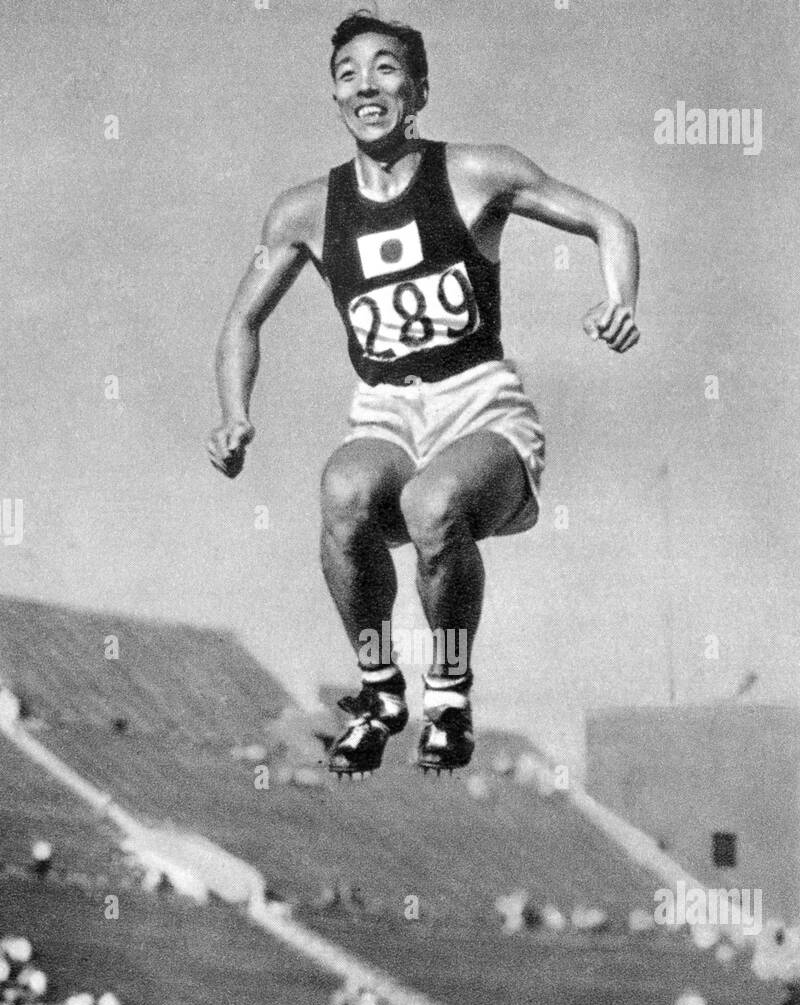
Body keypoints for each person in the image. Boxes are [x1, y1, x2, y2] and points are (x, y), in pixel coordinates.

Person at [208, 11, 640, 776]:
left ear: (418, 91)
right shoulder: (304, 210)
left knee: (434, 505)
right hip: (386, 408)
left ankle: (449, 692)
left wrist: (619, 299)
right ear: (335, 97)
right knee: (342, 489)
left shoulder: (478, 172)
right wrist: (234, 415)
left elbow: (608, 220)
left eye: (384, 68)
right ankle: (379, 689)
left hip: (480, 403)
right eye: (347, 73)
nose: (364, 85)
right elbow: (242, 321)